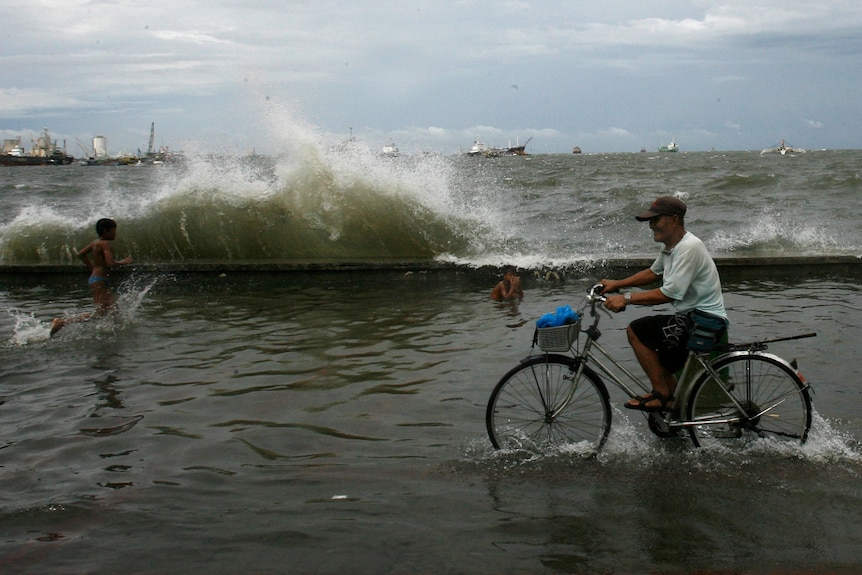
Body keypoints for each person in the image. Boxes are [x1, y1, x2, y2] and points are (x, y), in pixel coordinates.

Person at [598, 196, 726, 412]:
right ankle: (676, 410)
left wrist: (626, 298)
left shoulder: (689, 247)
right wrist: (617, 284)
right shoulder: (672, 247)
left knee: (637, 331)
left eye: (656, 220)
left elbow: (670, 293)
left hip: (703, 320)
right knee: (657, 348)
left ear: (674, 220)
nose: (651, 225)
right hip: (691, 317)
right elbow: (653, 273)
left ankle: (662, 394)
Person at [51, 218, 133, 336]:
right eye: (113, 231)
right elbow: (110, 263)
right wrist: (124, 262)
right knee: (100, 313)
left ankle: (114, 331)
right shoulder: (105, 244)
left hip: (98, 279)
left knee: (113, 309)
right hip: (99, 281)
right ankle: (62, 322)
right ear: (105, 231)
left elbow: (81, 254)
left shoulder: (95, 243)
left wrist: (93, 268)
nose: (115, 233)